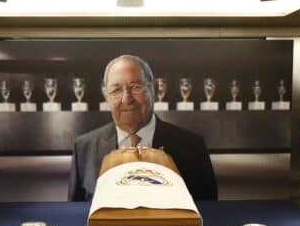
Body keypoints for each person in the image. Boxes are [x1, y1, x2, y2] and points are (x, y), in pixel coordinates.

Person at [68, 55, 217, 202]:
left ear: (155, 89)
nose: (127, 99)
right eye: (116, 90)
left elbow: (209, 216)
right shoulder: (84, 149)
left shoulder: (192, 147)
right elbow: (74, 217)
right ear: (106, 96)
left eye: (136, 87)